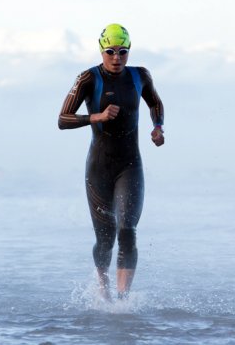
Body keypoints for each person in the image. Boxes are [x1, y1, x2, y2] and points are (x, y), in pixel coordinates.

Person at [58, 23, 165, 300]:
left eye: (123, 51)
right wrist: (97, 117)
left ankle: (122, 300)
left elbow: (155, 103)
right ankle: (104, 291)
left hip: (130, 166)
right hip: (99, 169)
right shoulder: (87, 79)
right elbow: (62, 119)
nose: (117, 57)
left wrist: (158, 127)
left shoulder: (140, 76)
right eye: (110, 51)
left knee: (127, 230)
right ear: (101, 50)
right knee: (105, 240)